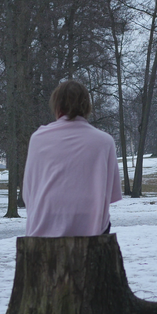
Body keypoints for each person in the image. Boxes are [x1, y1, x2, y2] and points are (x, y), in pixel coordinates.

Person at [23, 80, 122, 237]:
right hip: (91, 232)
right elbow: (111, 194)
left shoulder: (38, 139)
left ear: (57, 105)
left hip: (42, 230)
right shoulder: (104, 142)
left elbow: (29, 192)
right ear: (87, 106)